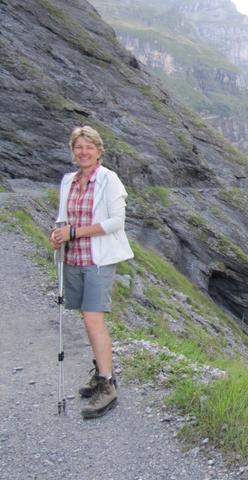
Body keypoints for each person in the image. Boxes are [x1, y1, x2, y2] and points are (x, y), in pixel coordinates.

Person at [50, 125, 134, 419]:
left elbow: (115, 223)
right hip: (74, 257)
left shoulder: (109, 180)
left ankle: (108, 384)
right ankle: (100, 372)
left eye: (89, 147)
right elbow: (63, 218)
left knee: (93, 317)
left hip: (99, 259)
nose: (83, 152)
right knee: (86, 317)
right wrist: (59, 233)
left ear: (99, 151)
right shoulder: (68, 181)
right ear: (73, 151)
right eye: (78, 147)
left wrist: (75, 231)